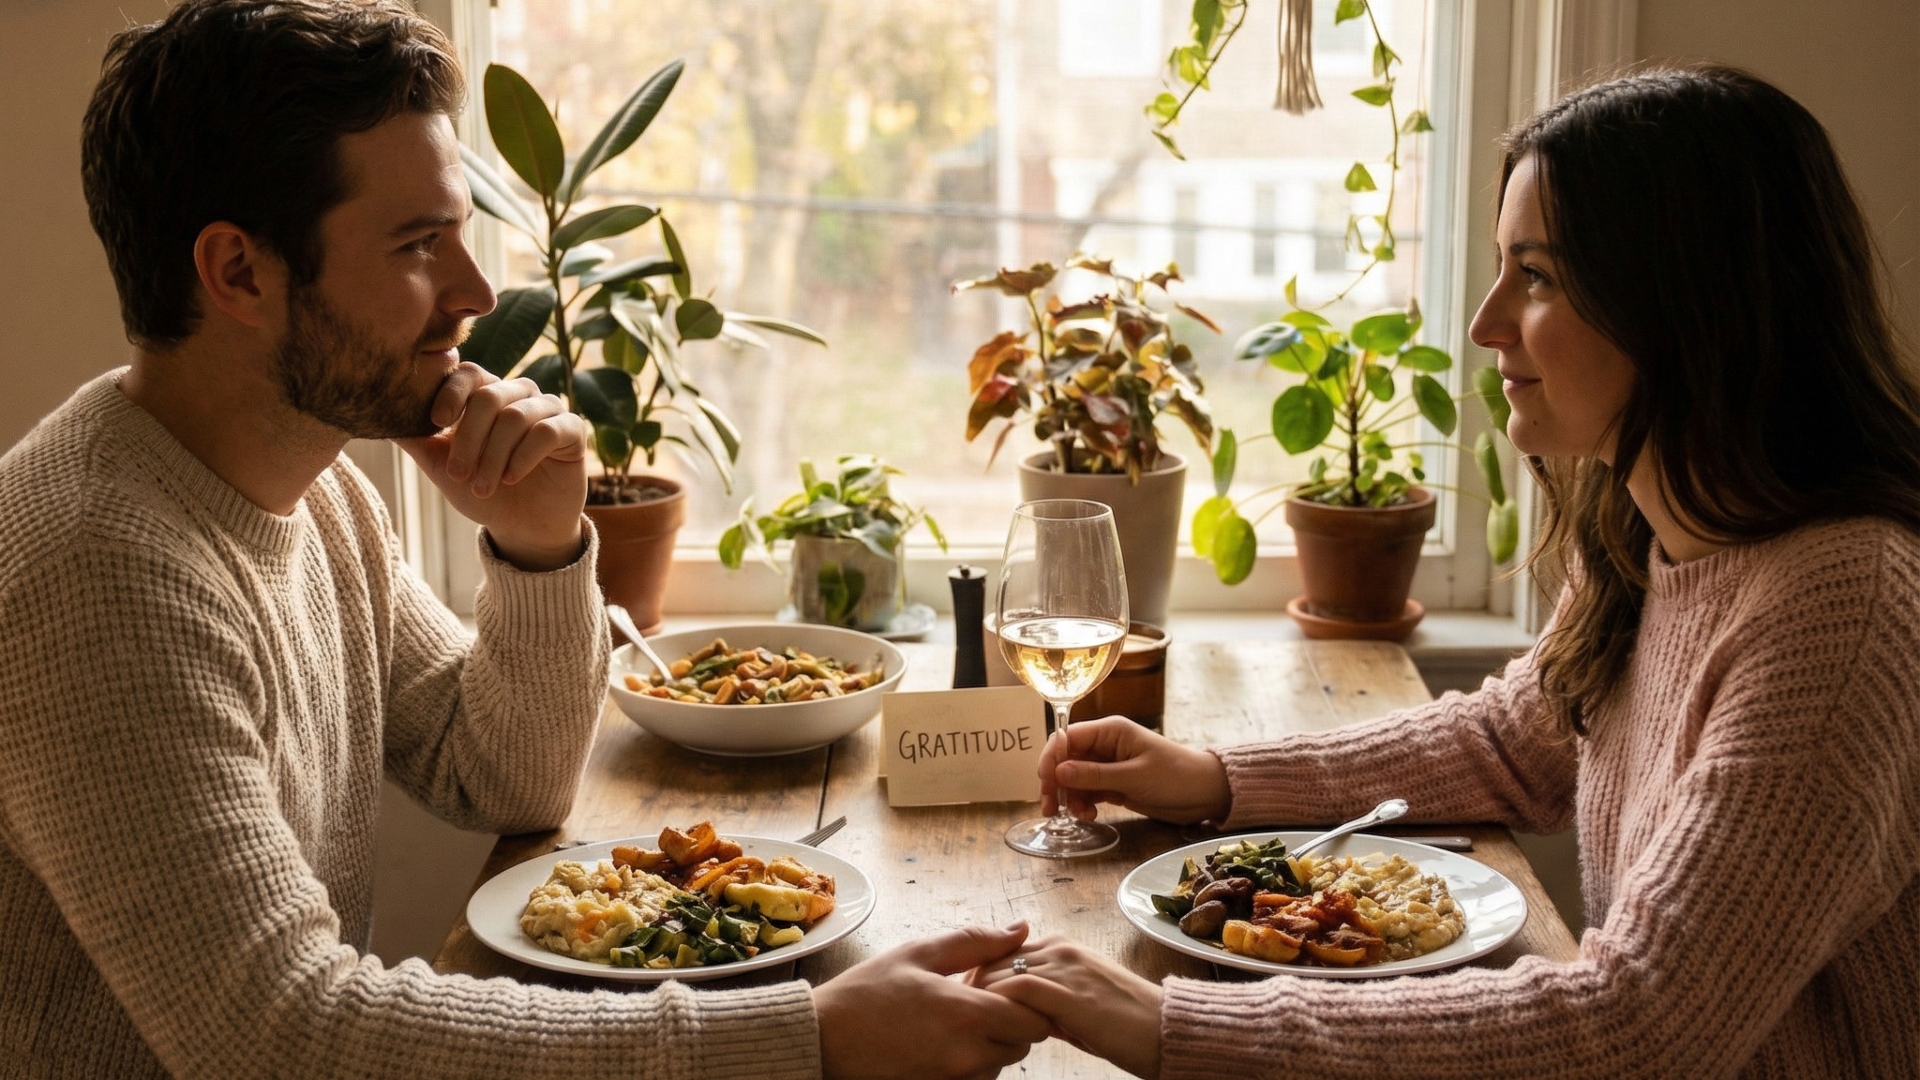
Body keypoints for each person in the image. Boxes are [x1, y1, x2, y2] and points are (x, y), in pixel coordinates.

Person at [0, 2, 1048, 1077]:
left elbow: (503, 782)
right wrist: (804, 1038)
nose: (475, 292)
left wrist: (542, 549)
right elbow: (283, 1035)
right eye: (418, 245)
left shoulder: (315, 496)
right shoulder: (100, 573)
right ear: (238, 273)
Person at [973, 65, 1920, 1079]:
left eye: (1539, 275)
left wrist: (1177, 1023)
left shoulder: (1844, 607)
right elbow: (1514, 742)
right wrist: (1215, 781)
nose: (1486, 324)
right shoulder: (1655, 530)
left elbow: (1641, 1024)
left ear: (1689, 303)